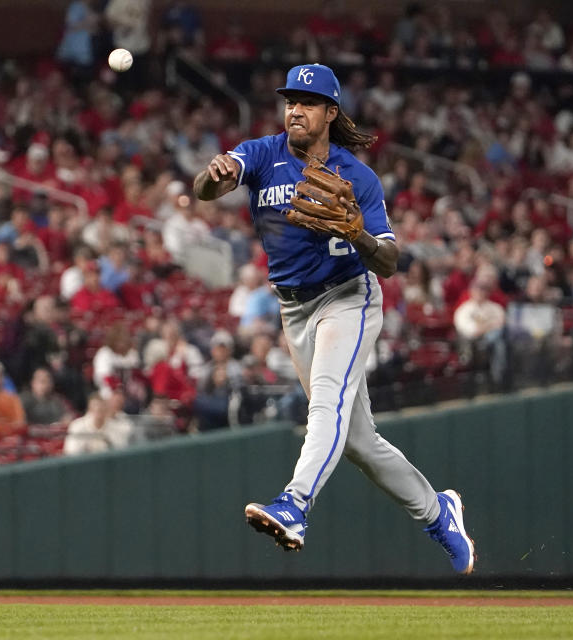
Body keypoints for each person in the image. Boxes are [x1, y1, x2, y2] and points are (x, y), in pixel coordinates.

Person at [192, 63, 474, 572]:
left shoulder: (357, 176)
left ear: (330, 112)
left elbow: (389, 261)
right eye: (289, 100)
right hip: (294, 308)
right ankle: (439, 513)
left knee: (326, 400)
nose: (294, 109)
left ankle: (295, 504)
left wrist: (358, 232)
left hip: (348, 297)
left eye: (306, 101)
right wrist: (214, 176)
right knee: (359, 441)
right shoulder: (262, 153)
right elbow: (206, 189)